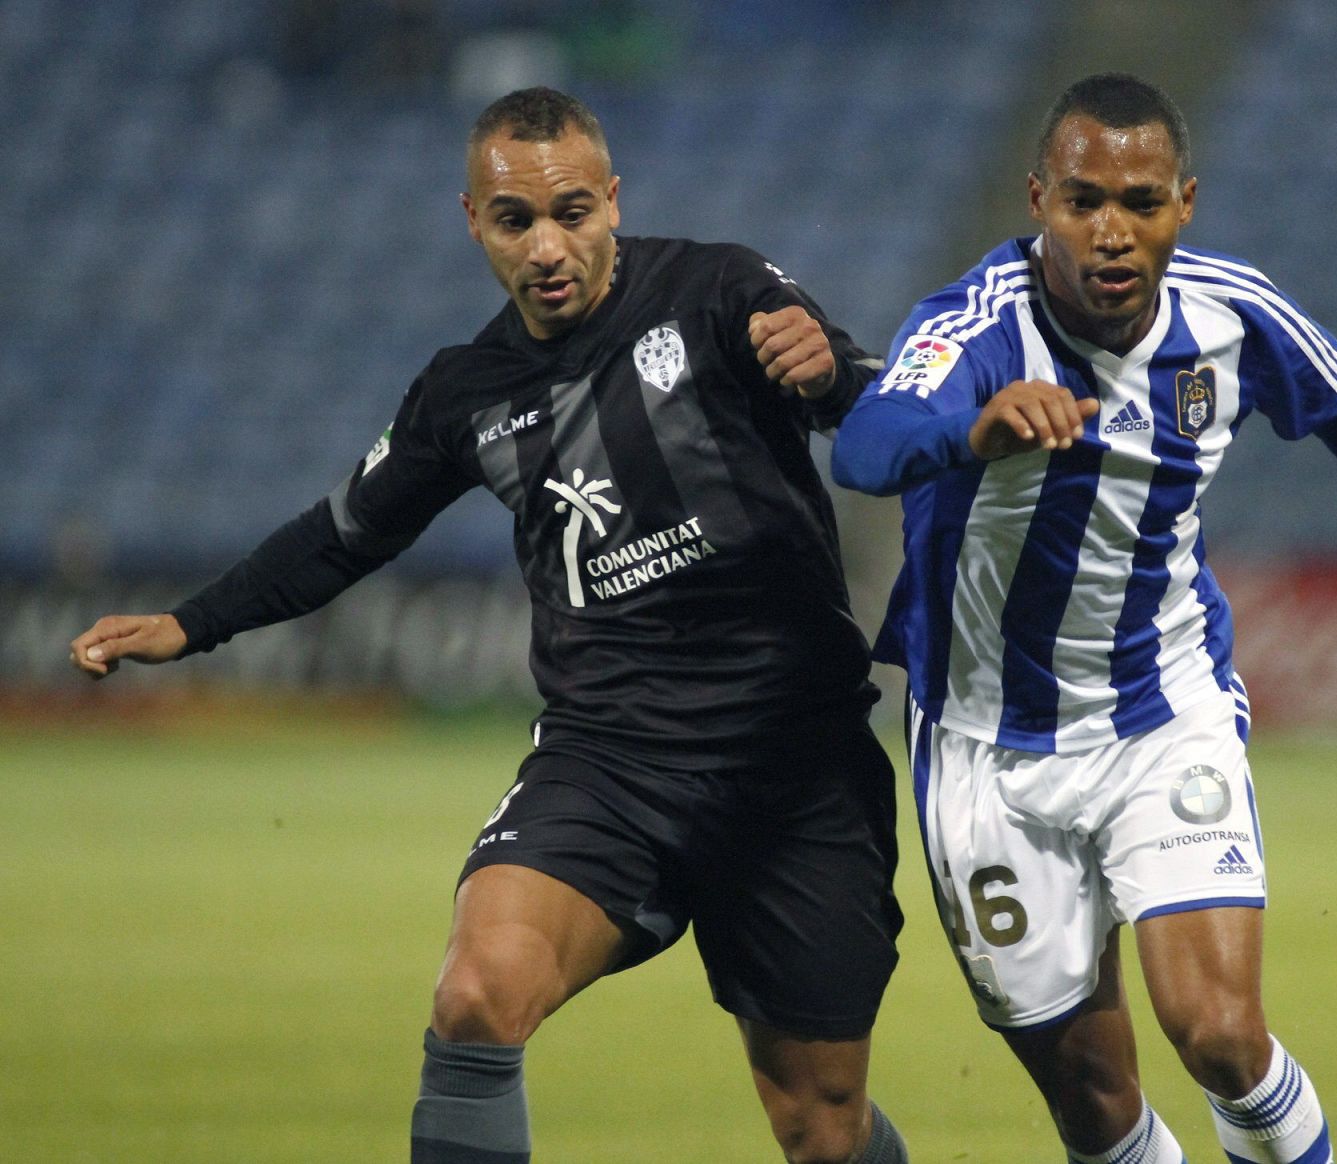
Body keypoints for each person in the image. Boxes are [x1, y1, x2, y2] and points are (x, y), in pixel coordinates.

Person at [70, 87, 910, 1164]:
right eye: (516, 221)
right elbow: (343, 532)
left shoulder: (716, 290)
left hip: (795, 765)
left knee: (822, 1127)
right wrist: (191, 625)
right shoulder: (464, 392)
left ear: (613, 200)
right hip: (611, 763)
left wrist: (836, 370)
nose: (548, 245)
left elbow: (880, 406)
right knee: (477, 994)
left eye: (572, 211)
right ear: (473, 221)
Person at [831, 72, 1337, 1164]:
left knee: (1221, 1035)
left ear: (1185, 204)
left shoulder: (1232, 315)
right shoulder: (976, 327)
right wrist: (972, 430)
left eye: (1139, 201)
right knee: (1093, 1100)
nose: (1110, 232)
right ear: (1037, 199)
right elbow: (866, 447)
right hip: (985, 744)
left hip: (1160, 712)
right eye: (1083, 200)